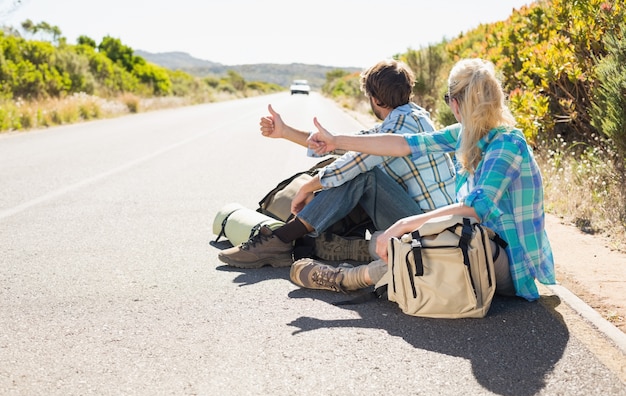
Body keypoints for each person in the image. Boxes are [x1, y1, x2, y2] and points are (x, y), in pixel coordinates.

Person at [291, 58, 555, 301]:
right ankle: (357, 258)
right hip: (477, 242)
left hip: (508, 262)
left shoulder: (506, 144)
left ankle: (348, 279)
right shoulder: (468, 133)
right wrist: (337, 141)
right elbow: (405, 144)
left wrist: (405, 224)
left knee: (432, 245)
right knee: (416, 240)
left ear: (455, 102)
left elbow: (475, 209)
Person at [218, 59, 456, 269]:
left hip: (427, 230)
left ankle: (279, 240)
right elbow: (350, 144)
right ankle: (292, 239)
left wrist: (307, 187)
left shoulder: (398, 126)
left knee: (365, 176)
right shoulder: (414, 116)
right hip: (437, 223)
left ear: (374, 99)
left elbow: (354, 163)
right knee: (357, 171)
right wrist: (285, 131)